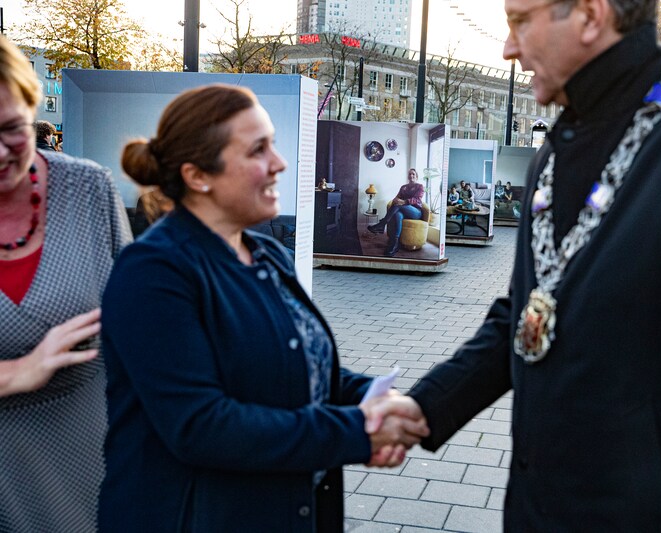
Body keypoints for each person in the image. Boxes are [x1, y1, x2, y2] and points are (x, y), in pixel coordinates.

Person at [369, 0, 661, 529]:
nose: (509, 48)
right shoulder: (555, 150)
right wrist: (428, 406)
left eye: (520, 21)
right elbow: (529, 312)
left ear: (592, 15)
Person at [98, 84, 428, 532]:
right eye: (259, 150)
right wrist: (357, 431)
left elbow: (299, 363)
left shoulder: (266, 252)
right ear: (198, 175)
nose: (280, 163)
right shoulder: (154, 271)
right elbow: (202, 426)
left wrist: (372, 397)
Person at [0, 36, 131, 532]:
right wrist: (18, 372)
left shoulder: (88, 188)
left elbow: (137, 321)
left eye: (12, 129)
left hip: (85, 463)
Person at [366, 168, 424, 257]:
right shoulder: (403, 187)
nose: (411, 175)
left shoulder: (419, 186)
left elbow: (417, 199)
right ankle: (394, 244)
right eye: (410, 174)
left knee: (398, 205)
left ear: (416, 176)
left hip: (415, 212)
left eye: (413, 174)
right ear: (408, 176)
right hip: (402, 210)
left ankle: (382, 224)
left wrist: (403, 202)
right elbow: (396, 198)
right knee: (397, 214)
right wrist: (395, 200)